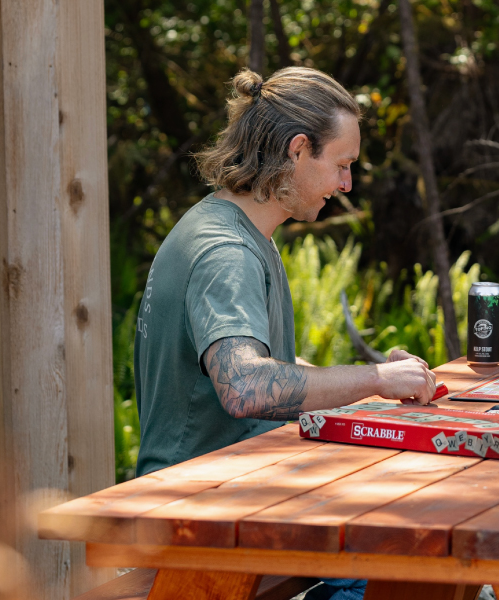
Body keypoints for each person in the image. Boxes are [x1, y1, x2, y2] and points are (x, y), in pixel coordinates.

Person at [133, 67, 435, 600]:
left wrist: (377, 386)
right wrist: (377, 378)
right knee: (404, 552)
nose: (346, 185)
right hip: (197, 505)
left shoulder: (243, 233)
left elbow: (272, 370)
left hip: (236, 490)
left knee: (409, 542)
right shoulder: (227, 253)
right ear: (297, 150)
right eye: (341, 165)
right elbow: (247, 386)